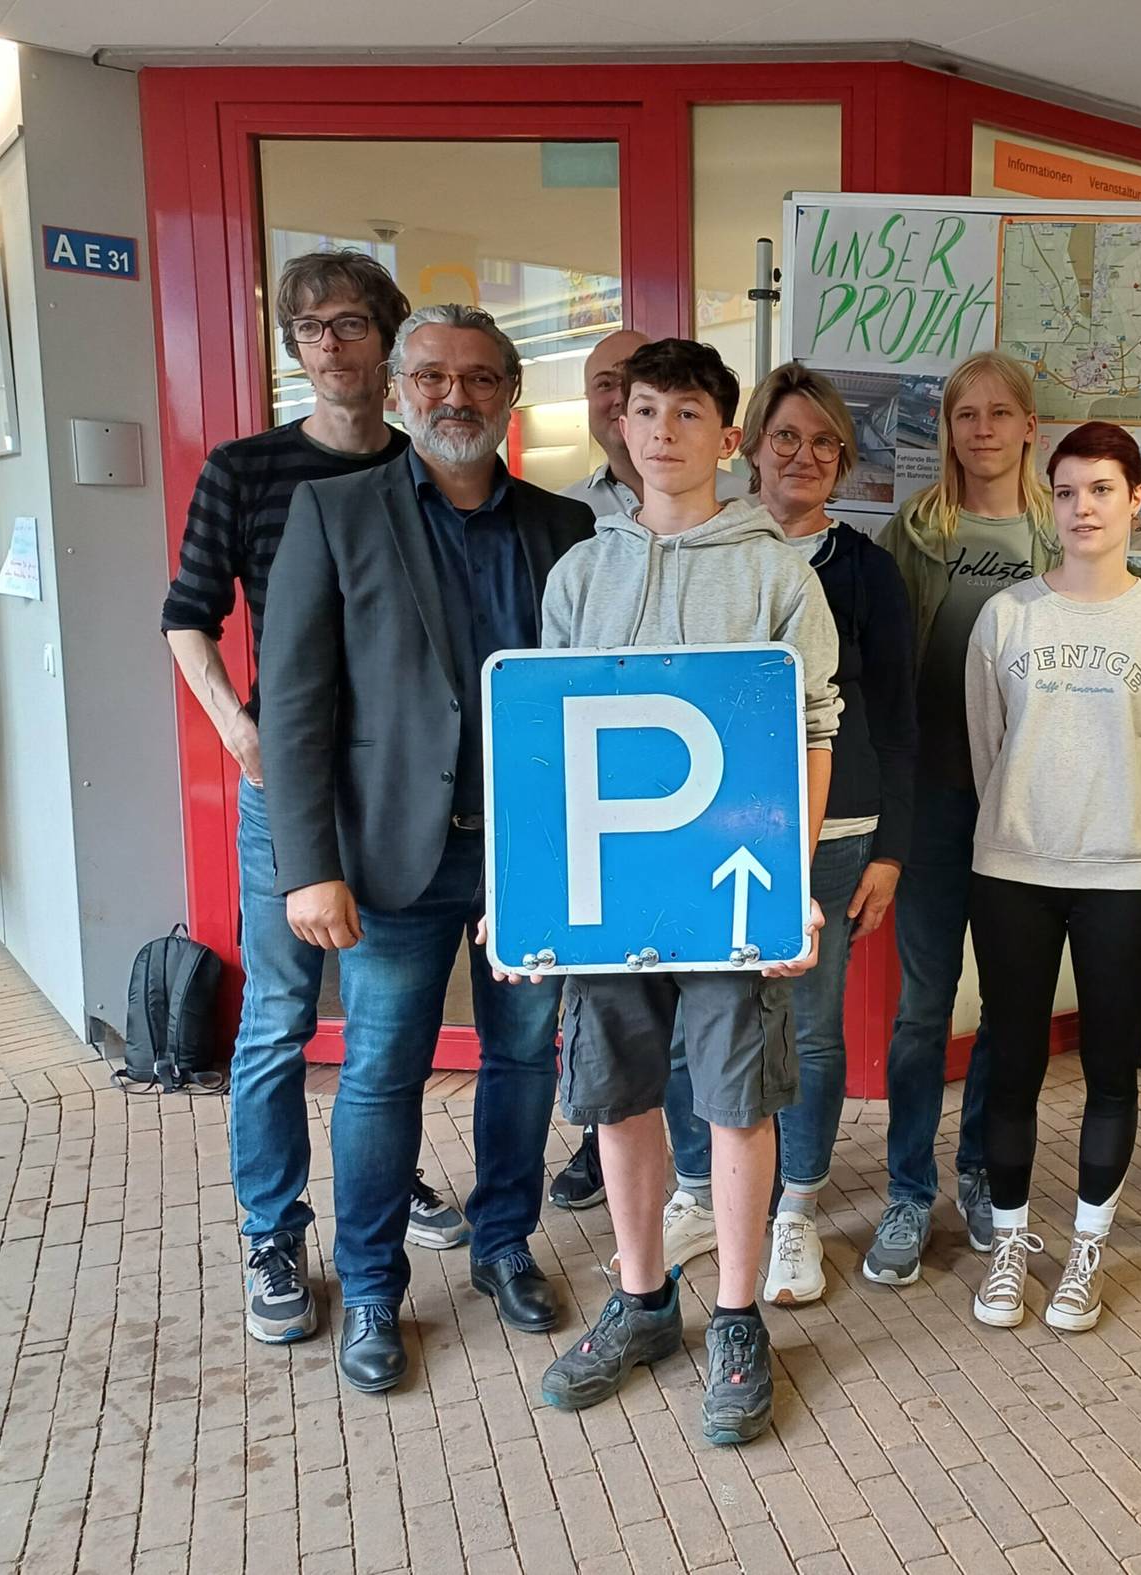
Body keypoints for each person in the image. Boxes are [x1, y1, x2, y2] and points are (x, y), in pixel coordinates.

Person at [258, 304, 596, 1393]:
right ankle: (369, 1290)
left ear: (509, 397)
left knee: (518, 1060)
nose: (459, 397)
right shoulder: (333, 513)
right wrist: (308, 864)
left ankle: (503, 1243)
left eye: (482, 379)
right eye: (436, 378)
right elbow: (296, 706)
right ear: (401, 392)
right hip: (390, 858)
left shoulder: (565, 529)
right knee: (379, 1076)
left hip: (528, 857)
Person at [159, 250, 473, 1348]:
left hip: (402, 790)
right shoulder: (245, 469)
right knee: (284, 1017)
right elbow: (187, 613)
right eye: (307, 329)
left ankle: (384, 1191)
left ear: (389, 340)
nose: (328, 344)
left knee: (388, 1025)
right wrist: (238, 730)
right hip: (288, 786)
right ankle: (272, 1224)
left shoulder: (435, 466)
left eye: (348, 324)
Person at [530, 339, 839, 1447]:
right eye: (644, 410)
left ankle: (741, 1318)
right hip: (609, 895)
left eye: (687, 413)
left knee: (736, 1097)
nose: (661, 432)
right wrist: (526, 892)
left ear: (729, 437)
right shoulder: (581, 573)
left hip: (728, 890)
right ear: (624, 425)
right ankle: (646, 1299)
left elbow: (810, 734)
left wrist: (792, 886)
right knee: (617, 1095)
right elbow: (546, 739)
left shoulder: (774, 574)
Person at [656, 363, 917, 1305]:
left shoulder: (868, 571)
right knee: (698, 1024)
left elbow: (898, 716)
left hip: (837, 833)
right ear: (750, 446)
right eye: (786, 438)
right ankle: (698, 1188)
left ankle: (796, 1209)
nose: (803, 456)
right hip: (709, 831)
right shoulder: (708, 553)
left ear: (842, 460)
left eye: (823, 444)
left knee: (808, 1029)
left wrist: (890, 849)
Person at [964, 420, 1141, 1332]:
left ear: (1136, 499)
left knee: (1111, 1064)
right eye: (1065, 491)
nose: (1082, 507)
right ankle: (1015, 1241)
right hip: (1014, 869)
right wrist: (1025, 822)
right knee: (1015, 1060)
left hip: (1124, 873)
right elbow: (990, 748)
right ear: (1049, 502)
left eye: (1101, 488)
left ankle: (1089, 1245)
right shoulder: (1008, 616)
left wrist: (1125, 829)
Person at [868, 350, 1060, 1285]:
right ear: (946, 432)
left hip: (1027, 812)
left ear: (1030, 427)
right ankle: (909, 1187)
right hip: (936, 807)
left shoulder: (1061, 536)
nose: (980, 431)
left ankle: (983, 1170)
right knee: (923, 1008)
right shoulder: (915, 532)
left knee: (1011, 1009)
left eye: (998, 414)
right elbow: (882, 675)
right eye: (963, 416)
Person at [546, 325, 649, 1216]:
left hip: (686, 788)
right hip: (594, 793)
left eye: (640, 385)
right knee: (605, 989)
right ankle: (597, 1138)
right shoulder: (561, 517)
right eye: (605, 385)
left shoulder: (737, 514)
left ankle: (693, 1158)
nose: (623, 403)